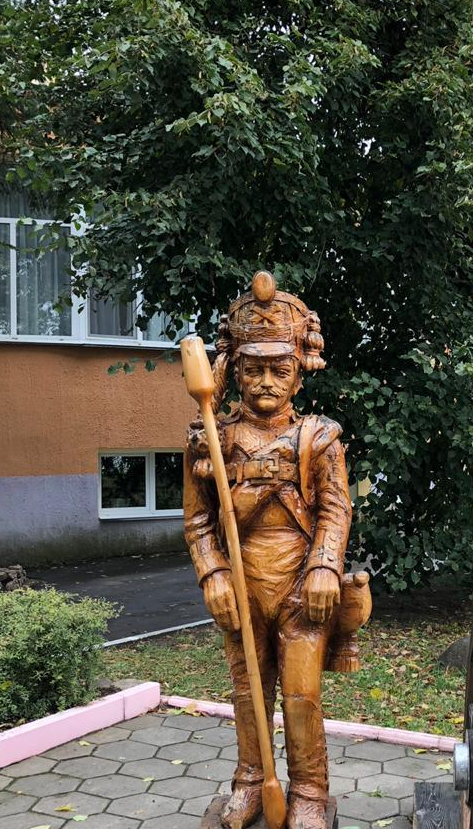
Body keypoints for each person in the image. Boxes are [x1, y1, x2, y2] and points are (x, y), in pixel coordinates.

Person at [183, 270, 355, 829]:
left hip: (302, 589)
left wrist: (325, 565)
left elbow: (336, 511)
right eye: (253, 369)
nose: (265, 382)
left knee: (301, 696)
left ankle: (308, 790)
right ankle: (251, 782)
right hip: (241, 586)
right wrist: (212, 573)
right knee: (246, 693)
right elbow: (198, 521)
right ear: (233, 371)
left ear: (299, 372)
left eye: (279, 369)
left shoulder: (319, 438)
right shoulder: (210, 439)